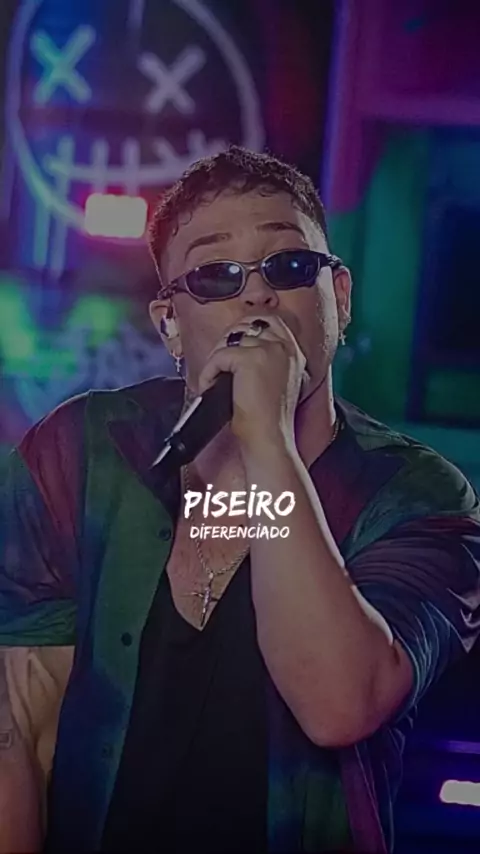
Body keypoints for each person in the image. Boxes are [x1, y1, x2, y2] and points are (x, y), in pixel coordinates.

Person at [1, 146, 479, 854]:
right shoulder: (82, 455)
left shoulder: (416, 495)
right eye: (216, 274)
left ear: (339, 298)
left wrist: (266, 438)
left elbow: (340, 704)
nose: (257, 296)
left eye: (289, 266)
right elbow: (18, 727)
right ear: (169, 323)